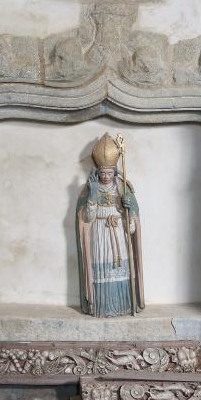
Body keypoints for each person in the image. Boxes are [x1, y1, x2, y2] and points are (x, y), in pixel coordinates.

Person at [76, 133, 144, 317]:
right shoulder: (90, 188)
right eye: (102, 173)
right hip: (100, 234)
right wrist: (92, 195)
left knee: (120, 268)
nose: (106, 176)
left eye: (109, 173)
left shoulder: (123, 188)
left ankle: (124, 306)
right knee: (103, 268)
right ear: (97, 172)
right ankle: (102, 307)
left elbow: (132, 228)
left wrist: (128, 210)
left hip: (119, 232)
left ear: (115, 172)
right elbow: (87, 218)